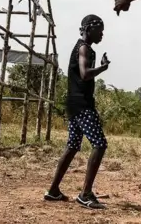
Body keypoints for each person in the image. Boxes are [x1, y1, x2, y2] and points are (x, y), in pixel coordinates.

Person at [44, 14, 110, 209]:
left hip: (74, 103)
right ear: (89, 28)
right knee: (99, 144)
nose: (102, 34)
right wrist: (103, 68)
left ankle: (53, 190)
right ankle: (85, 194)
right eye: (100, 29)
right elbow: (84, 74)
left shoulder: (82, 47)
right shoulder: (84, 48)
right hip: (82, 105)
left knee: (73, 145)